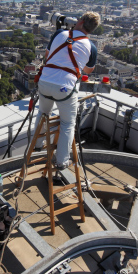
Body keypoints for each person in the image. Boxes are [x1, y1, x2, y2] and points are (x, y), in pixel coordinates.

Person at [34, 11, 100, 169]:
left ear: (81, 21)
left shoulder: (59, 33)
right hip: (65, 87)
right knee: (67, 123)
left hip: (44, 81)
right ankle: (62, 161)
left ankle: (37, 144)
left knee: (43, 112)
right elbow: (88, 70)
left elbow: (47, 55)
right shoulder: (91, 46)